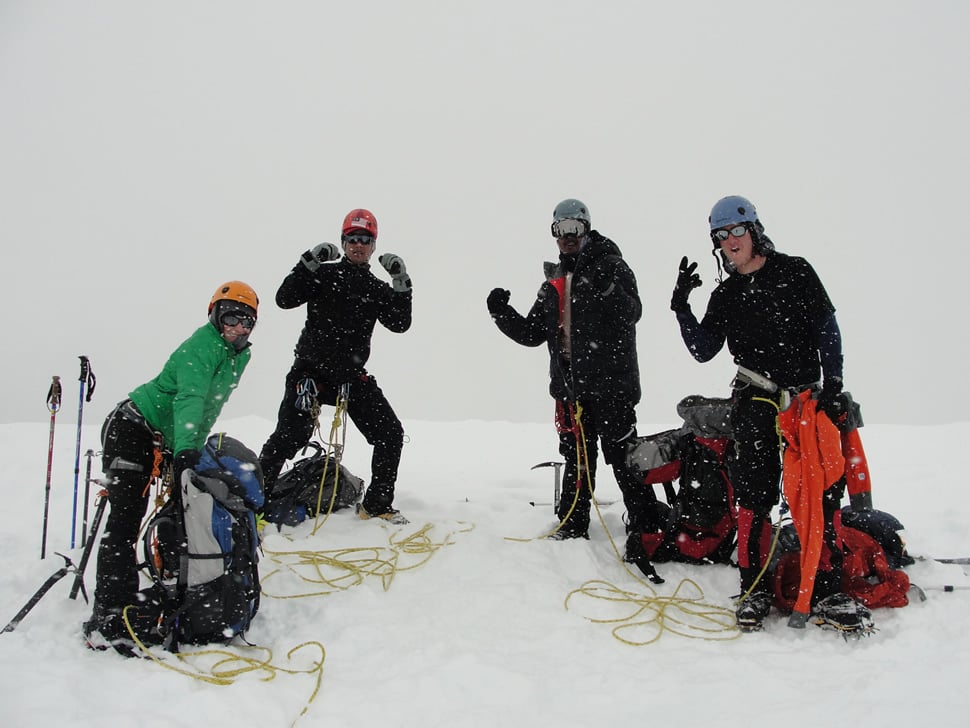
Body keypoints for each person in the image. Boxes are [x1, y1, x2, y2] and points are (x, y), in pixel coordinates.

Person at [669, 194, 871, 633]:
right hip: (755, 398)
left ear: (754, 230)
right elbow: (704, 350)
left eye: (735, 231)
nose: (729, 241)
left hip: (804, 401)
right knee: (753, 497)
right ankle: (754, 588)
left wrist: (833, 385)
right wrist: (682, 308)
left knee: (819, 495)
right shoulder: (726, 293)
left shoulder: (795, 272)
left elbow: (826, 329)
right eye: (720, 236)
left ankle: (829, 589)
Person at [84, 281, 259, 651]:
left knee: (178, 509)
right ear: (215, 316)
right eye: (230, 318)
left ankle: (178, 581)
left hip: (163, 439)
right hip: (132, 428)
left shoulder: (237, 357)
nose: (237, 328)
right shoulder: (203, 346)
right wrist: (185, 452)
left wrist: (188, 451)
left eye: (246, 321)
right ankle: (110, 609)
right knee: (127, 516)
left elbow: (211, 407)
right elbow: (191, 398)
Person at [487, 198, 655, 541]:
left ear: (586, 228)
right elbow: (532, 334)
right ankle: (573, 523)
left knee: (622, 456)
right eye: (560, 229)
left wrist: (608, 290)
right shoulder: (555, 279)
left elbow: (633, 312)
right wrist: (500, 312)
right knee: (578, 457)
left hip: (612, 385)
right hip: (571, 387)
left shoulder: (612, 265)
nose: (567, 236)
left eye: (574, 228)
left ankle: (646, 523)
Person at [259, 208, 412, 524]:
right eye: (353, 239)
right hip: (311, 374)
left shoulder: (374, 287)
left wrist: (401, 282)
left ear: (373, 245)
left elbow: (400, 323)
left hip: (350, 377)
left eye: (365, 240)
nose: (358, 245)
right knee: (289, 436)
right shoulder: (323, 275)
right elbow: (284, 299)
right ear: (343, 242)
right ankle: (254, 505)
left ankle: (377, 505)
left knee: (390, 433)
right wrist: (308, 263)